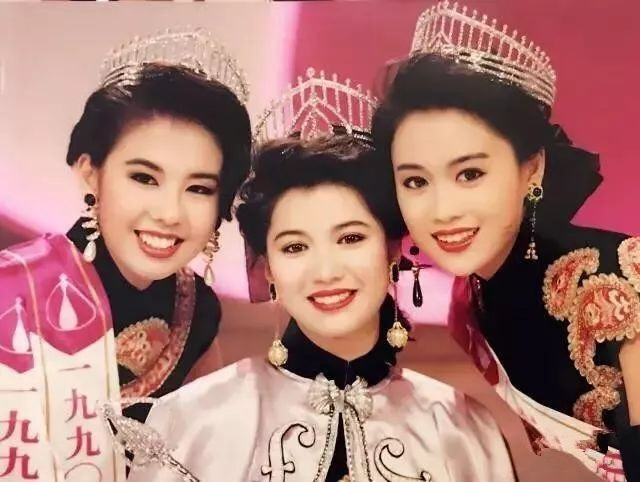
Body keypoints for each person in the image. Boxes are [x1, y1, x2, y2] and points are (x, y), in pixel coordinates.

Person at [106, 70, 516, 482]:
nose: (326, 271)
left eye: (350, 238)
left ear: (392, 249)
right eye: (294, 247)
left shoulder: (462, 431)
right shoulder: (194, 422)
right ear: (268, 269)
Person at [371, 2, 639, 481]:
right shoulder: (477, 297)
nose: (442, 210)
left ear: (531, 169)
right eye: (415, 181)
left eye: (470, 174)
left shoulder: (620, 279)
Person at [0, 28, 251, 481]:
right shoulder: (12, 291)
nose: (170, 213)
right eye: (144, 178)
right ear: (90, 173)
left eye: (198, 188)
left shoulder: (196, 313)